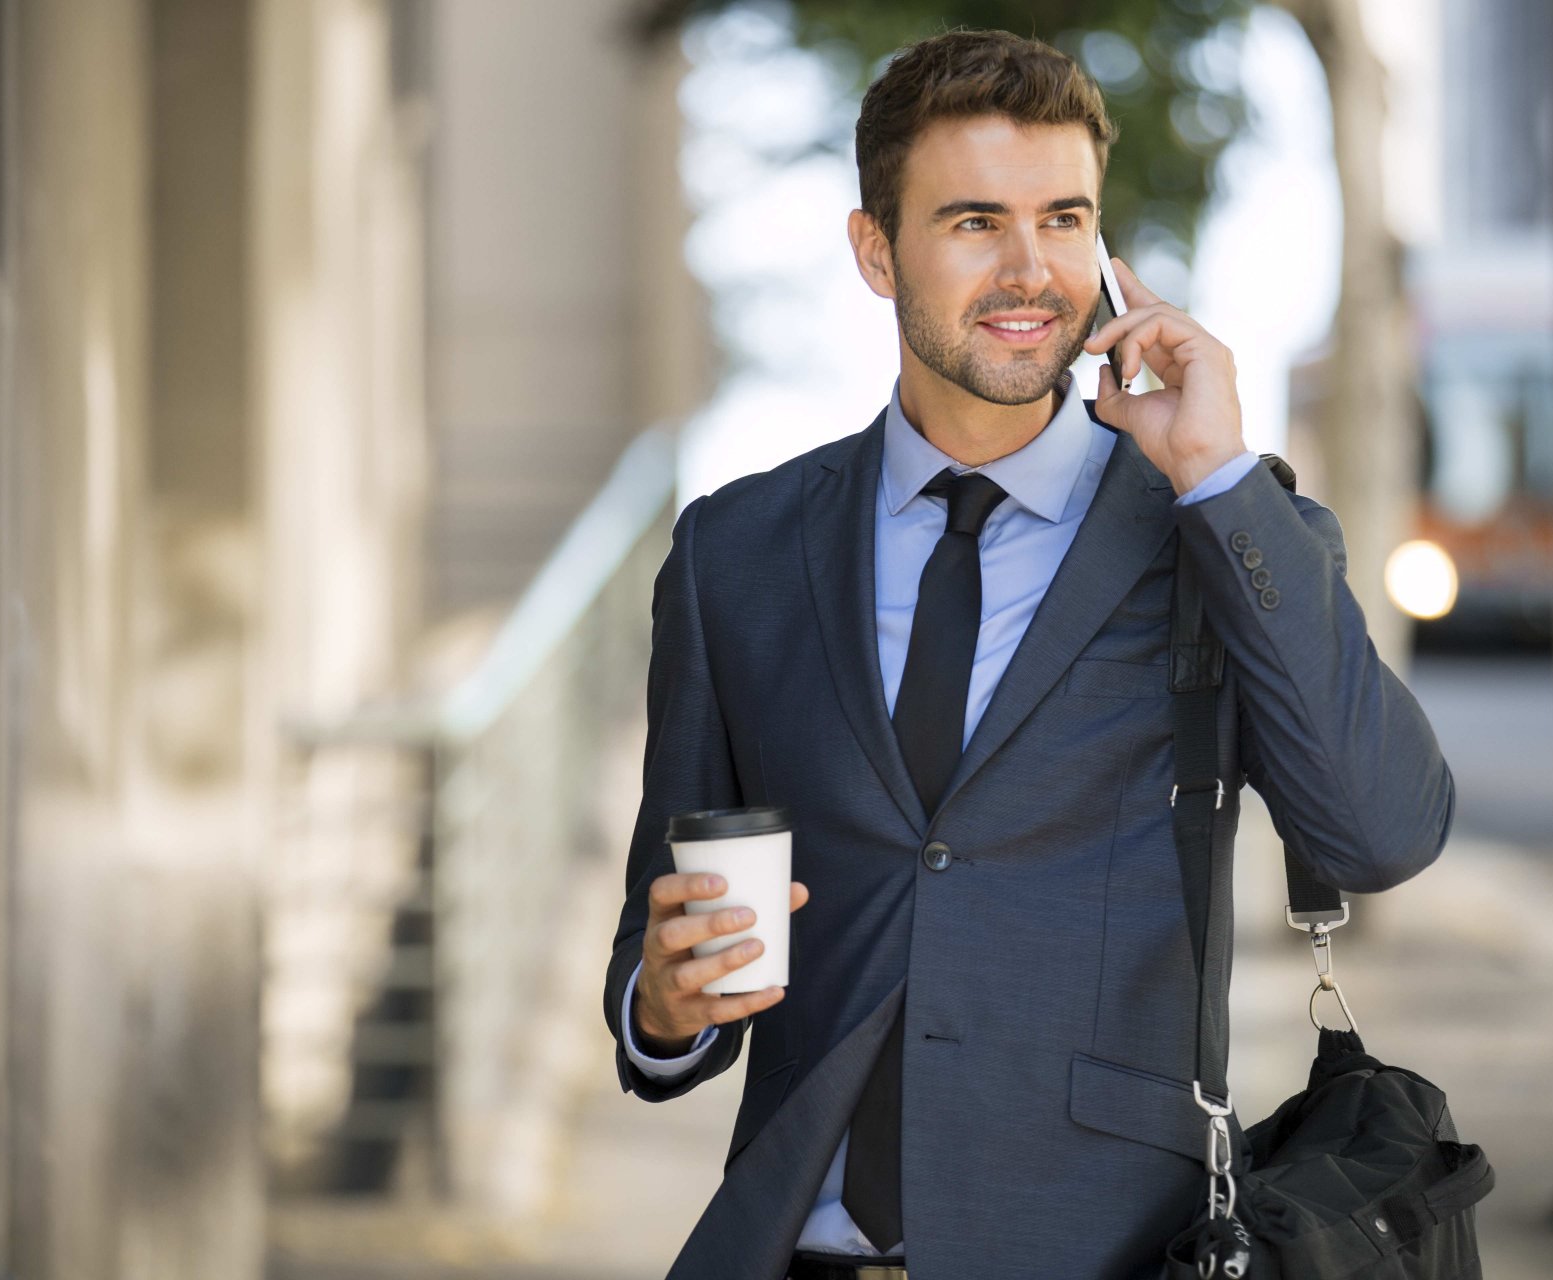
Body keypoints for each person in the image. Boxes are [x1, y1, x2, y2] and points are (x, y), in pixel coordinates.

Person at [600, 27, 1455, 1280]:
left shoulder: (1209, 530)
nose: (1030, 269)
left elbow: (1383, 830)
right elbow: (657, 949)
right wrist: (662, 1011)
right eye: (973, 222)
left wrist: (1217, 474)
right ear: (875, 251)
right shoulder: (739, 555)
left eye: (1063, 219)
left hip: (1106, 1250)